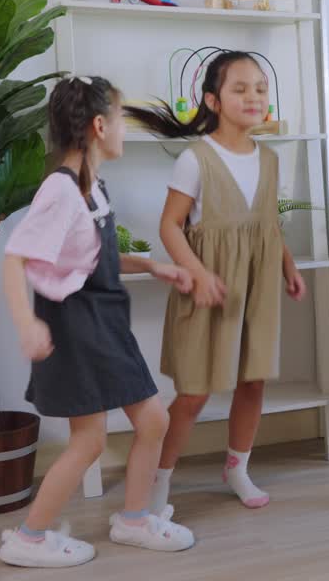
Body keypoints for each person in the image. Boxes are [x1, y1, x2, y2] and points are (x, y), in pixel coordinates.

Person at [0, 75, 195, 568]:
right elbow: (15, 257)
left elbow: (87, 258)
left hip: (104, 325)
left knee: (153, 420)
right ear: (100, 126)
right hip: (76, 329)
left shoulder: (93, 187)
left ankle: (133, 520)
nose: (125, 129)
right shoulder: (61, 190)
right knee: (89, 441)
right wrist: (27, 324)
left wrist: (149, 265)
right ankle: (29, 538)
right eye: (121, 119)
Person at [127, 51, 307, 512]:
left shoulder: (270, 159)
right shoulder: (196, 159)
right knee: (194, 391)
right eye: (240, 88)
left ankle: (237, 468)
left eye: (261, 88)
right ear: (213, 100)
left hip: (258, 286)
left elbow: (267, 224)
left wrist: (287, 265)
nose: (253, 97)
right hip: (209, 288)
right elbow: (170, 225)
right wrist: (198, 272)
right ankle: (157, 479)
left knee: (253, 382)